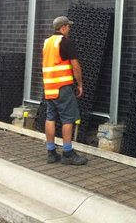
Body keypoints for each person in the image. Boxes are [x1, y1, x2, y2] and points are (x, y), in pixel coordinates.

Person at [42, 16, 87, 165]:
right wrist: (80, 83)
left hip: (49, 87)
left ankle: (51, 153)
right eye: (68, 26)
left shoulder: (47, 43)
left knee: (50, 118)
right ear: (63, 27)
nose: (69, 29)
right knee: (68, 119)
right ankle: (67, 153)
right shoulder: (66, 43)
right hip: (62, 88)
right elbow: (75, 66)